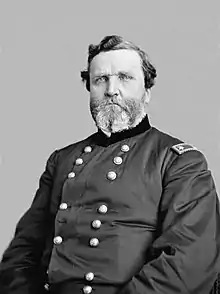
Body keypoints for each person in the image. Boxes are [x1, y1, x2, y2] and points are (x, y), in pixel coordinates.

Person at [0, 35, 219, 294]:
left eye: (125, 78)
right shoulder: (62, 159)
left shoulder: (180, 162)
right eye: (100, 79)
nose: (111, 89)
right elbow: (21, 253)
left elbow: (187, 263)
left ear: (147, 91)